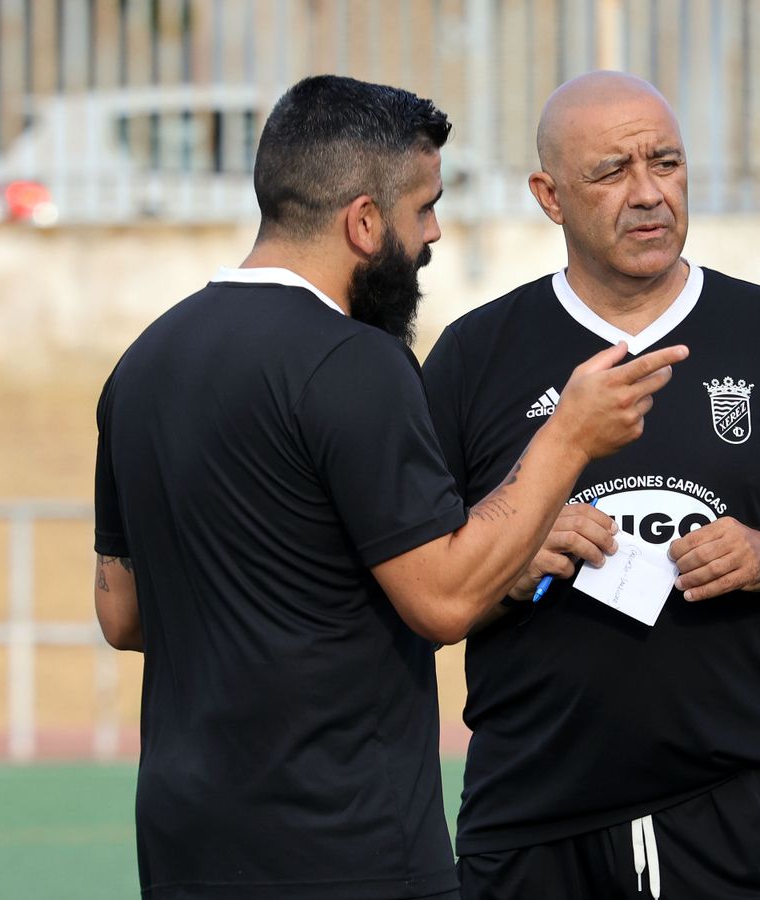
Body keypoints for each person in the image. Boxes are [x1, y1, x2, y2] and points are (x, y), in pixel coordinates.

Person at [91, 74, 687, 900]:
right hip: (345, 846)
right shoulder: (355, 362)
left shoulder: (143, 364)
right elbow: (442, 600)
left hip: (183, 841)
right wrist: (569, 437)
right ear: (364, 223)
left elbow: (122, 612)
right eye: (423, 208)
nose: (435, 232)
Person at [421, 71, 760, 899]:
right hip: (534, 821)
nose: (648, 194)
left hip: (743, 814)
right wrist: (511, 558)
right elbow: (417, 595)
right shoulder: (474, 356)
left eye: (667, 164)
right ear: (549, 195)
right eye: (613, 172)